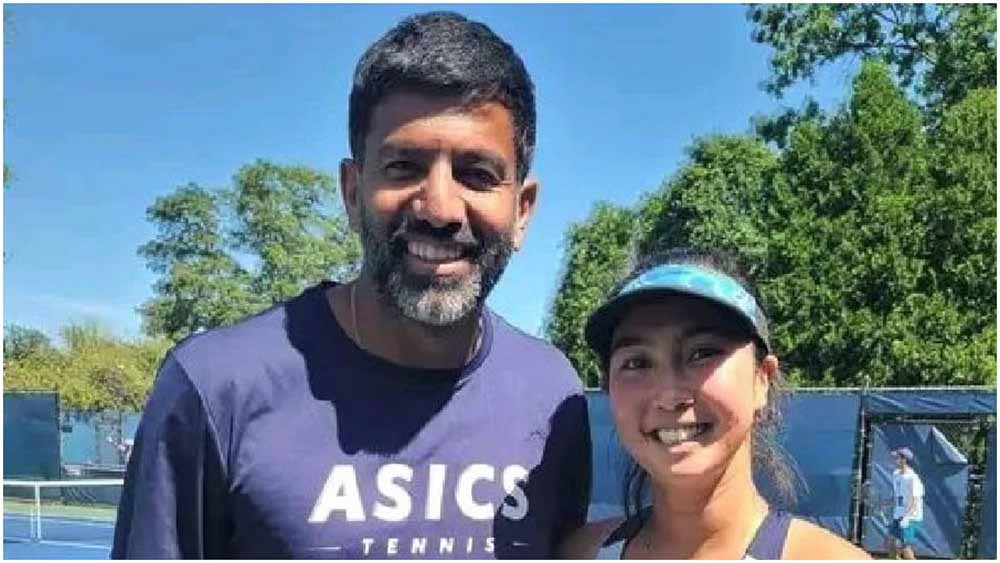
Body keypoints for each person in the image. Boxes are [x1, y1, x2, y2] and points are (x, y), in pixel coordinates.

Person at [112, 11, 591, 559]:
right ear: (352, 191)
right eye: (404, 166)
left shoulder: (552, 395)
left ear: (522, 210)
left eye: (477, 174)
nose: (439, 208)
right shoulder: (215, 387)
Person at [559, 248, 869, 559]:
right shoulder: (577, 553)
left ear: (762, 378)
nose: (669, 395)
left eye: (702, 353)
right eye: (637, 363)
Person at [888, 447, 924, 559]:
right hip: (899, 514)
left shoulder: (913, 478)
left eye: (897, 458)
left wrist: (907, 517)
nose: (895, 460)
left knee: (904, 546)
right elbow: (898, 495)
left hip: (911, 517)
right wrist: (886, 504)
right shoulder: (896, 474)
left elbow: (915, 500)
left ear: (904, 460)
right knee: (891, 543)